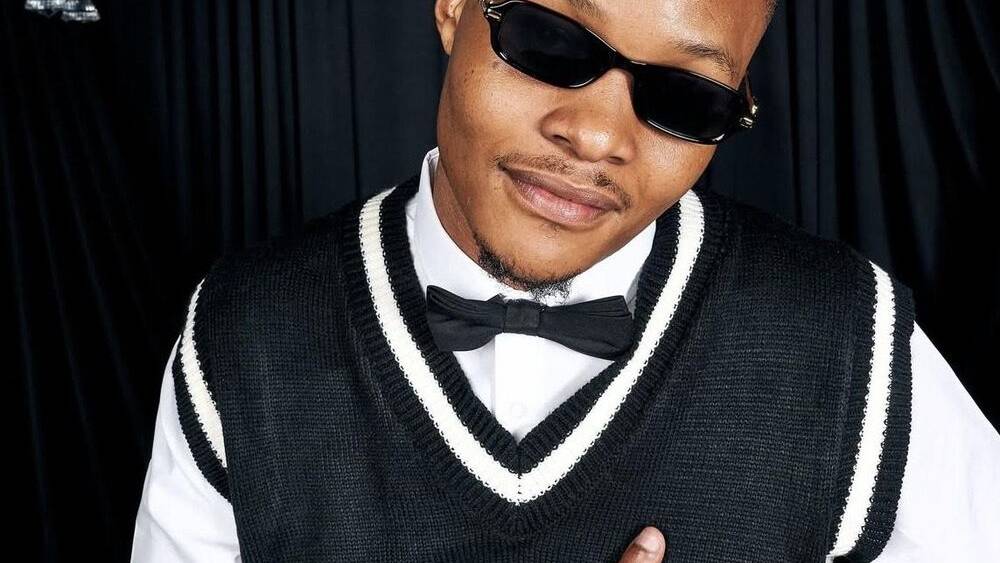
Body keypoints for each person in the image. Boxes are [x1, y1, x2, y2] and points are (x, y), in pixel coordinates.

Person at [130, 1, 1000, 561]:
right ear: (454, 8)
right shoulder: (244, 334)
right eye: (550, 43)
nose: (596, 136)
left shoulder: (851, 346)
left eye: (686, 97)